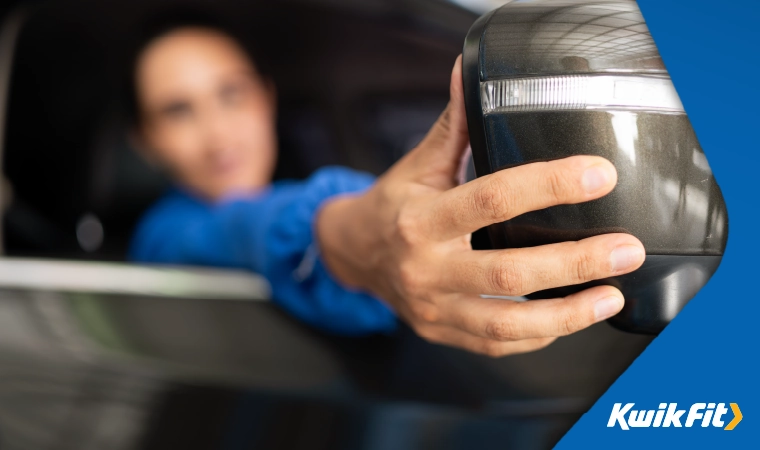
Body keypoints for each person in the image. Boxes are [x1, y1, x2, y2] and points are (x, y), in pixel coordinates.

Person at [127, 18, 646, 356]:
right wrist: (347, 229)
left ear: (265, 99)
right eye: (178, 111)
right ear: (146, 142)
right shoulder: (163, 234)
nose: (218, 133)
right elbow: (240, 226)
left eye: (230, 94)